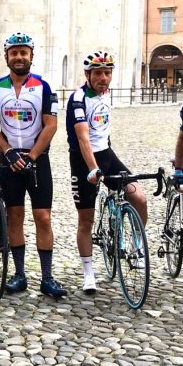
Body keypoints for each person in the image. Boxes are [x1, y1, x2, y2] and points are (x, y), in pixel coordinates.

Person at [0, 32, 67, 298]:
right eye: (14, 53)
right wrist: (7, 151)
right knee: (14, 216)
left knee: (43, 217)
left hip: (37, 160)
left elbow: (51, 125)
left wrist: (31, 156)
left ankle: (47, 277)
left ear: (32, 55)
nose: (19, 57)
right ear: (6, 56)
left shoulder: (43, 87)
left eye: (24, 52)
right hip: (9, 160)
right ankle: (19, 274)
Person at [67, 51, 148, 294]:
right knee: (86, 219)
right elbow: (83, 138)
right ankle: (88, 272)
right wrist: (93, 168)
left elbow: (103, 131)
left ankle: (136, 244)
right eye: (99, 73)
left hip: (107, 155)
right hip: (84, 160)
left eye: (107, 73)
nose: (104, 78)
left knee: (139, 197)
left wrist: (106, 160)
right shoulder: (79, 98)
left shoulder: (107, 95)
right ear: (88, 75)